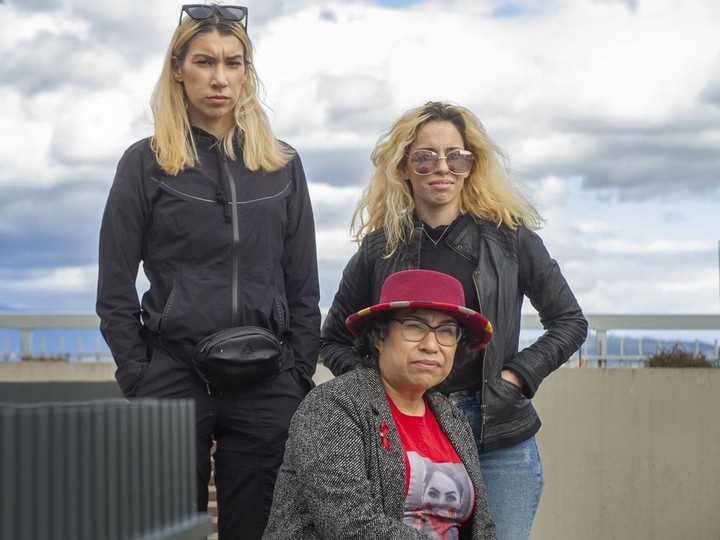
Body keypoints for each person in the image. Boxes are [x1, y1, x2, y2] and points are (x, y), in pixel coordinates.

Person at [96, 5, 320, 539]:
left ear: (247, 71)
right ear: (178, 69)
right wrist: (137, 373)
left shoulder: (282, 163)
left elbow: (304, 282)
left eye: (233, 63)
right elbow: (114, 286)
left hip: (268, 379)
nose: (220, 78)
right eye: (204, 62)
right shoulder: (145, 162)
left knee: (261, 530)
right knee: (173, 530)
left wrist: (297, 372)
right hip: (175, 372)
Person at [320, 101, 588, 539]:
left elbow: (569, 321)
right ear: (404, 167)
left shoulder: (511, 239)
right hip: (405, 434)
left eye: (456, 155)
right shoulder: (379, 249)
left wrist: (514, 378)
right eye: (424, 156)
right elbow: (332, 339)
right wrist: (379, 391)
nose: (441, 167)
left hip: (498, 436)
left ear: (471, 164)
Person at [262, 269, 496, 539]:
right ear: (378, 337)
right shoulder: (333, 405)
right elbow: (352, 525)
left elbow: (483, 527)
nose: (432, 345)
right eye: (415, 326)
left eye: (446, 331)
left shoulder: (453, 420)